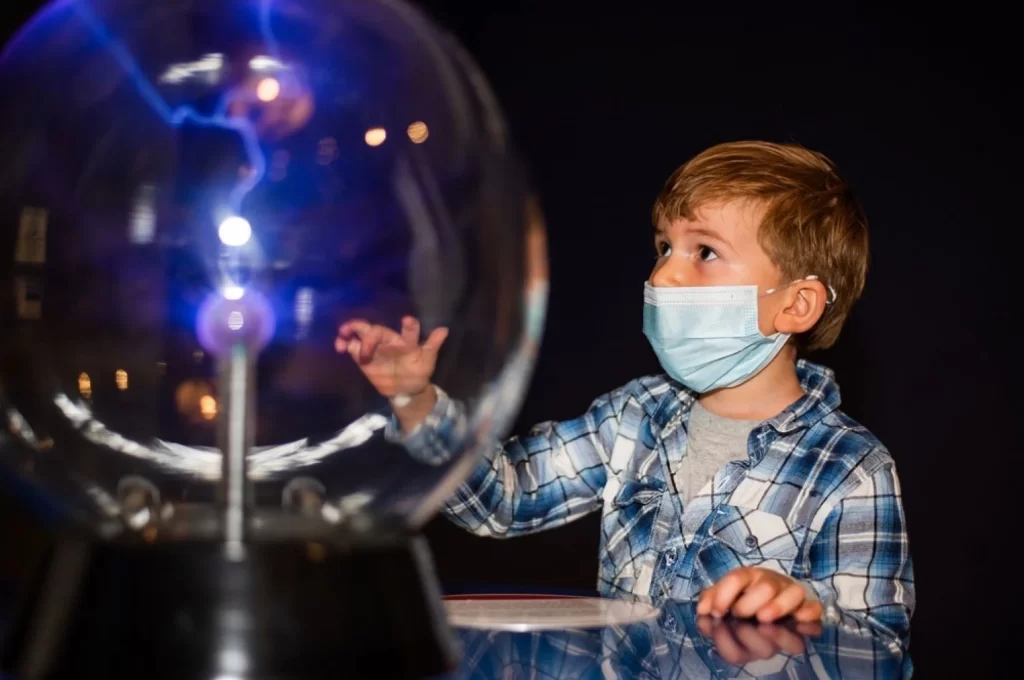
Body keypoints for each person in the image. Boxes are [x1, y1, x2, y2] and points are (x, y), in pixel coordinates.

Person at [336, 141, 914, 647]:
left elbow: (881, 646)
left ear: (796, 304)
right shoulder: (632, 416)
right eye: (664, 247)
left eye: (704, 252)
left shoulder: (851, 469)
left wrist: (806, 610)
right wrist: (415, 399)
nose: (663, 276)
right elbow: (505, 499)